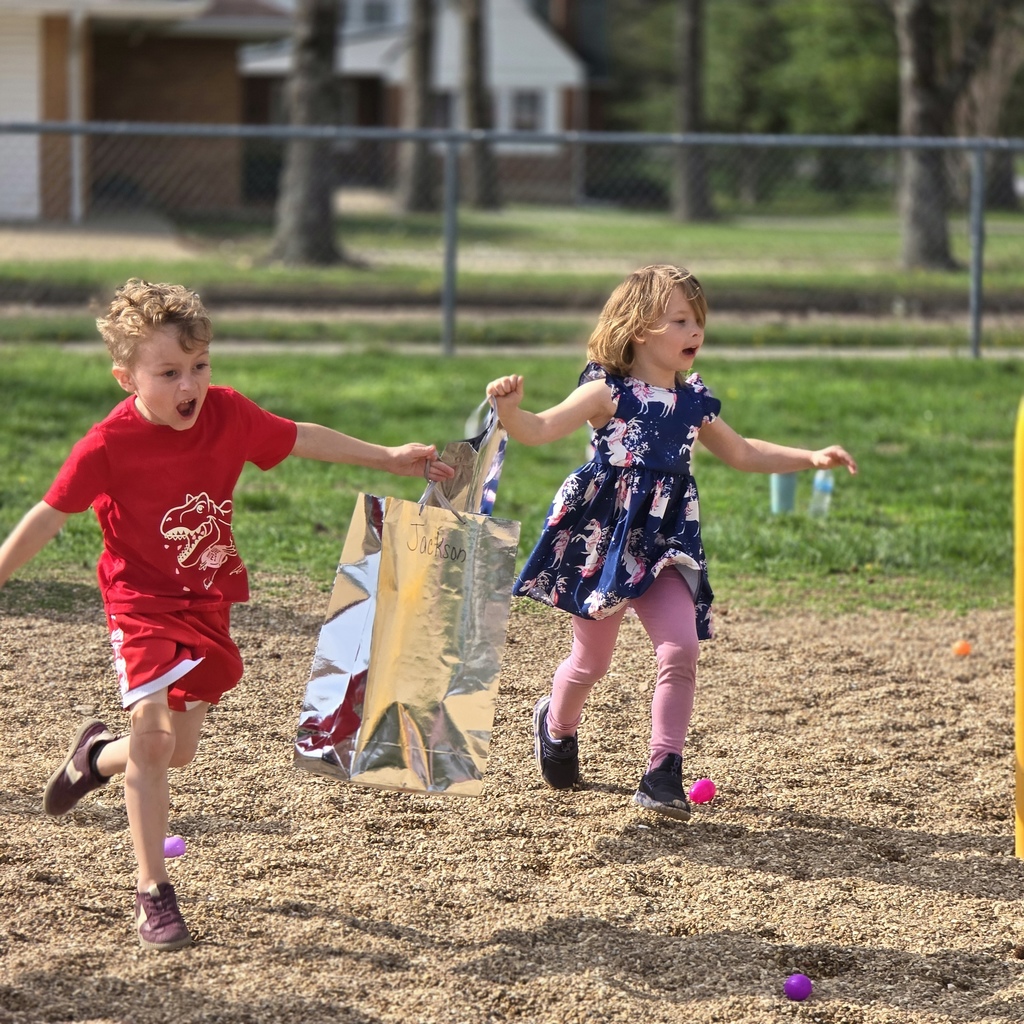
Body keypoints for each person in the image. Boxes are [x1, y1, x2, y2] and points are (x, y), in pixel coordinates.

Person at [0, 278, 454, 952]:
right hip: (142, 606)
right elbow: (50, 515)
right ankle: (153, 891)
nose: (191, 384)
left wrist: (385, 456)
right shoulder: (106, 446)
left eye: (200, 365)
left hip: (207, 604)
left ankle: (94, 760)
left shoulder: (227, 415)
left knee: (175, 752)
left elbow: (297, 436)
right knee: (154, 740)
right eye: (170, 372)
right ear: (127, 379)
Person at [486, 264, 857, 822]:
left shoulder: (693, 398)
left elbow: (744, 453)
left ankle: (663, 773)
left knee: (680, 649)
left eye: (698, 321)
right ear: (638, 329)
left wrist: (808, 457)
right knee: (591, 662)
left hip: (667, 542)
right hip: (605, 538)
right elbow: (539, 430)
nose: (695, 332)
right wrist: (510, 411)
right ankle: (555, 725)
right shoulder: (603, 391)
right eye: (681, 320)